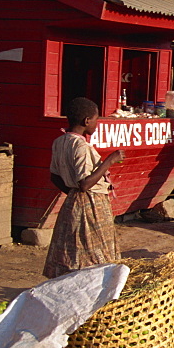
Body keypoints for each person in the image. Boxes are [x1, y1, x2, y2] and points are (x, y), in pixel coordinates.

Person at [43, 97, 124, 278]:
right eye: (96, 119)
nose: (96, 123)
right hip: (92, 204)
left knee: (74, 249)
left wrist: (71, 194)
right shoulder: (80, 145)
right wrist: (110, 160)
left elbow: (54, 176)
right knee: (94, 251)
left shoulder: (60, 142)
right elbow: (85, 184)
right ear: (86, 121)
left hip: (74, 202)